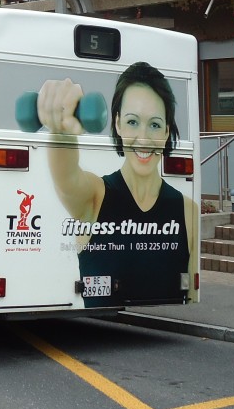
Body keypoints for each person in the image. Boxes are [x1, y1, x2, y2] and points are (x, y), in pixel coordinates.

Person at [37, 62, 193, 305]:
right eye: (132, 122)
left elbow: (189, 296)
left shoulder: (186, 210)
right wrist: (61, 131)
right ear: (118, 124)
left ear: (166, 132)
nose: (143, 138)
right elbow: (67, 178)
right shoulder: (95, 196)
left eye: (154, 124)